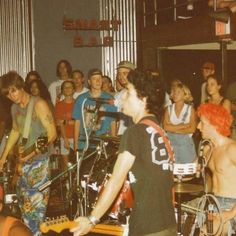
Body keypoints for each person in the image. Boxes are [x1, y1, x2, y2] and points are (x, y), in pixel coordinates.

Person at [70, 69, 176, 236]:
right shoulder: (158, 129)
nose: (123, 97)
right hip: (168, 224)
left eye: (128, 92)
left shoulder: (135, 132)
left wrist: (92, 219)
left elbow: (115, 180)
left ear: (143, 99)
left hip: (147, 227)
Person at [0, 71, 57, 235]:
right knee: (25, 209)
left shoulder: (38, 104)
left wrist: (31, 153)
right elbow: (16, 131)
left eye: (13, 90)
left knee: (35, 212)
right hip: (24, 164)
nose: (12, 96)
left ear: (20, 86)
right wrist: (3, 156)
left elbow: (51, 133)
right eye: (8, 94)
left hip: (39, 164)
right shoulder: (14, 108)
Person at [197, 103, 236, 235]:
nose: (198, 127)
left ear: (213, 124)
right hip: (214, 204)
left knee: (205, 233)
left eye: (202, 123)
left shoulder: (231, 149)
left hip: (232, 206)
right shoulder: (209, 150)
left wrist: (231, 213)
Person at [72, 68, 117, 151]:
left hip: (103, 145)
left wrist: (113, 143)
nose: (98, 81)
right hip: (84, 144)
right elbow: (77, 122)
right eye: (94, 79)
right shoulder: (81, 99)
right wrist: (76, 145)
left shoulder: (109, 99)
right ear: (89, 82)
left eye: (99, 78)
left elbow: (113, 122)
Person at [163, 82, 197, 163]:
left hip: (186, 147)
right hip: (171, 145)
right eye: (174, 91)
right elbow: (165, 127)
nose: (175, 94)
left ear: (185, 94)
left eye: (178, 92)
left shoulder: (190, 109)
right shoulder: (168, 109)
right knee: (172, 171)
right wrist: (183, 126)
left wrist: (173, 129)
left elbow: (192, 129)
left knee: (187, 172)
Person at [55, 80, 75, 171]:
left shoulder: (78, 103)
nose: (67, 89)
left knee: (77, 164)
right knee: (66, 166)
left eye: (70, 87)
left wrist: (66, 122)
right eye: (65, 87)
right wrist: (65, 139)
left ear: (73, 89)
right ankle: (68, 184)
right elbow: (59, 123)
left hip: (77, 137)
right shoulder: (59, 105)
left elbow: (80, 122)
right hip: (64, 137)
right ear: (62, 90)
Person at [114, 61, 135, 135]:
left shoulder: (141, 94)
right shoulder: (118, 96)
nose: (121, 76)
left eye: (124, 73)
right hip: (122, 136)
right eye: (119, 74)